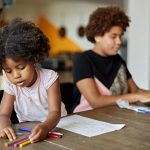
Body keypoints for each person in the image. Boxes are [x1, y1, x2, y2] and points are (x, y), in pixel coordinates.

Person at [72, 6, 150, 113]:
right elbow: (96, 101)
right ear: (97, 36)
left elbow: (136, 90)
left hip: (116, 116)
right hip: (88, 119)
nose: (119, 42)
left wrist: (140, 95)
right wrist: (136, 97)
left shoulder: (118, 59)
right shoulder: (82, 60)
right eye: (113, 36)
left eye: (120, 36)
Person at [0, 18, 61, 143]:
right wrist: (4, 126)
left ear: (33, 59)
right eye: (8, 71)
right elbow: (4, 114)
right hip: (27, 131)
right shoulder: (10, 85)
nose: (16, 75)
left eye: (21, 67)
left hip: (57, 127)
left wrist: (45, 127)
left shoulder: (49, 78)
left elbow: (55, 112)